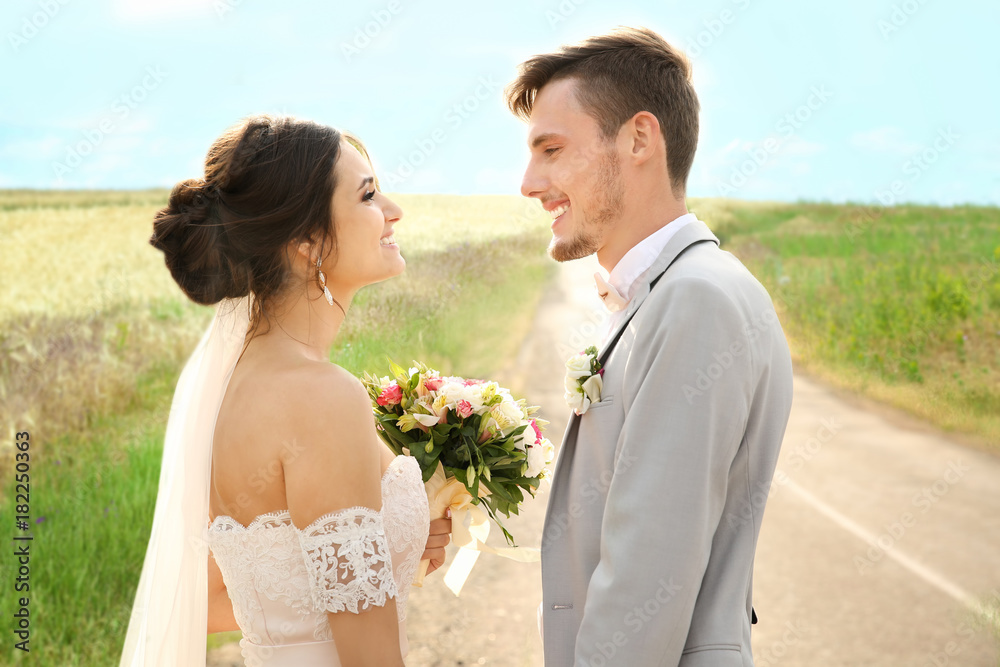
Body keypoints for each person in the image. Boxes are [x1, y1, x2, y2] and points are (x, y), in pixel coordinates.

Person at [506, 27, 794, 665]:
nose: (530, 183)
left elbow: (647, 575)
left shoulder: (696, 300)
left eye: (551, 149)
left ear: (639, 138)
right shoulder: (667, 293)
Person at [120, 115, 451, 666]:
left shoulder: (232, 385)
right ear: (306, 241)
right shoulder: (320, 396)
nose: (394, 210)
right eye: (368, 195)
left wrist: (392, 558)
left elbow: (205, 602)